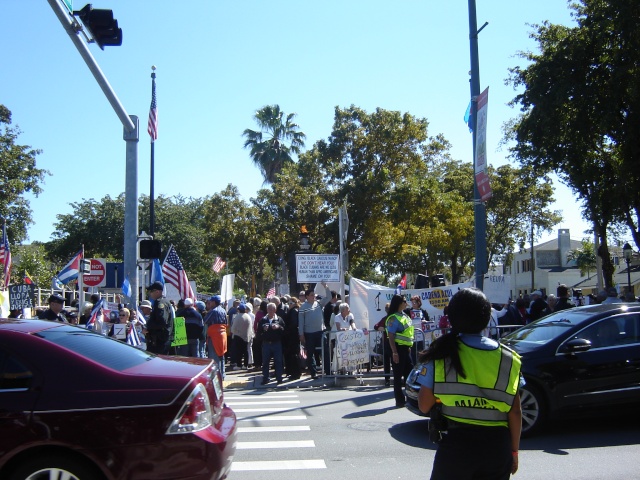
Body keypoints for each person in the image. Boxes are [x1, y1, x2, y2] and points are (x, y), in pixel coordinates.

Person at [416, 288, 522, 480]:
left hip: (456, 446)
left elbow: (424, 406)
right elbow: (515, 411)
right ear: (488, 316)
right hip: (496, 447)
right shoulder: (509, 358)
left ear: (452, 317)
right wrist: (513, 452)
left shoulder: (442, 353)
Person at [386, 294, 414, 408]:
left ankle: (410, 398)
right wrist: (394, 352)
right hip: (398, 349)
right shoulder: (393, 318)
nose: (406, 303)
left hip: (406, 349)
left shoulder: (405, 315)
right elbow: (391, 336)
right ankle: (399, 400)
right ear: (398, 303)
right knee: (398, 376)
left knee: (409, 375)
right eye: (404, 301)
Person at [299, 289, 325, 378]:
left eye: (314, 295)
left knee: (325, 351)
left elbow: (328, 297)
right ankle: (313, 373)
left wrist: (325, 287)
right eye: (311, 295)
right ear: (307, 296)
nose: (313, 296)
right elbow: (301, 322)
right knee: (310, 354)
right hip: (309, 333)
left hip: (320, 332)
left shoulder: (319, 304)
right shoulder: (303, 307)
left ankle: (328, 371)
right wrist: (301, 334)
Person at [258, 302, 286, 385]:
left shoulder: (279, 319)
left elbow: (284, 331)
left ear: (275, 310)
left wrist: (279, 327)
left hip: (276, 343)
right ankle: (265, 378)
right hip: (266, 344)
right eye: (268, 309)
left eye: (272, 309)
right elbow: (258, 333)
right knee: (265, 362)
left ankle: (279, 378)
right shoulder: (263, 320)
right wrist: (263, 329)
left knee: (278, 361)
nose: (270, 310)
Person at [145, 282, 174, 354]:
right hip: (160, 340)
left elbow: (162, 321)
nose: (150, 293)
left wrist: (148, 326)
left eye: (151, 291)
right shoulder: (163, 302)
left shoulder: (160, 303)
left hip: (160, 340)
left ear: (157, 291)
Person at [204, 295, 228, 377]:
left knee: (214, 357)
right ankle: (222, 374)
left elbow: (205, 321)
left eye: (210, 302)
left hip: (215, 336)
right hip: (223, 335)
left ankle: (217, 376)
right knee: (221, 355)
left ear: (214, 302)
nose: (209, 303)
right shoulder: (223, 310)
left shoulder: (213, 311)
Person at [230, 303, 254, 369]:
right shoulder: (248, 316)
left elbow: (233, 328)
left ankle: (239, 365)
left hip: (238, 336)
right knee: (245, 351)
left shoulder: (237, 317)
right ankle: (245, 365)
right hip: (246, 336)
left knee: (238, 352)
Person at [284, 297, 302, 380]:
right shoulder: (293, 311)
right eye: (289, 303)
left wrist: (288, 331)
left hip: (293, 335)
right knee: (293, 354)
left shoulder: (294, 311)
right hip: (292, 335)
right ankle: (293, 372)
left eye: (291, 303)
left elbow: (294, 324)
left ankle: (296, 373)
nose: (289, 305)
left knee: (294, 354)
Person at [374, 303, 392, 386]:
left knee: (389, 361)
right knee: (388, 361)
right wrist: (383, 328)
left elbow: (376, 326)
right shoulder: (385, 319)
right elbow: (376, 326)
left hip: (392, 342)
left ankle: (388, 379)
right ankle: (387, 379)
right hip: (388, 342)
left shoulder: (391, 318)